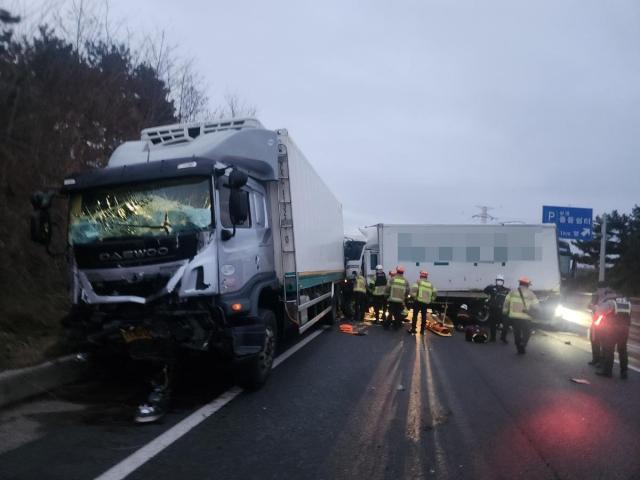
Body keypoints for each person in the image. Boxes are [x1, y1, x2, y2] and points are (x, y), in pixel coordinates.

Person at [502, 276, 539, 354]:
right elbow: (537, 306)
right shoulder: (530, 293)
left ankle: (519, 347)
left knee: (517, 332)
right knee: (527, 332)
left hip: (514, 317)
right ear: (527, 285)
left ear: (520, 283)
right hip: (526, 317)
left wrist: (505, 311)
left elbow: (506, 302)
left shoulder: (512, 291)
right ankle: (523, 343)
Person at [597, 297, 631, 379]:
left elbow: (599, 312)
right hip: (624, 330)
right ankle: (624, 372)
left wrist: (596, 307)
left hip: (612, 330)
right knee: (623, 350)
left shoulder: (611, 302)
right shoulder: (628, 303)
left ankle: (607, 371)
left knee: (609, 350)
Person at [484, 274, 510, 342]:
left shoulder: (506, 290)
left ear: (503, 282)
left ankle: (503, 337)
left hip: (502, 309)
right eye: (498, 280)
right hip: (493, 308)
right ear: (496, 281)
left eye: (501, 280)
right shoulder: (492, 288)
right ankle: (493, 338)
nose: (499, 282)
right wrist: (489, 286)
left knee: (506, 324)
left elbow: (509, 298)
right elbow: (485, 291)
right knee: (493, 324)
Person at [385, 266, 409, 330]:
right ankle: (396, 326)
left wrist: (386, 296)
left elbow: (387, 288)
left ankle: (387, 326)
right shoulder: (405, 281)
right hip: (400, 301)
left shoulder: (392, 279)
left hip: (392, 300)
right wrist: (405, 297)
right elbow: (407, 291)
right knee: (397, 314)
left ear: (397, 271)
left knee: (390, 313)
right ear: (403, 272)